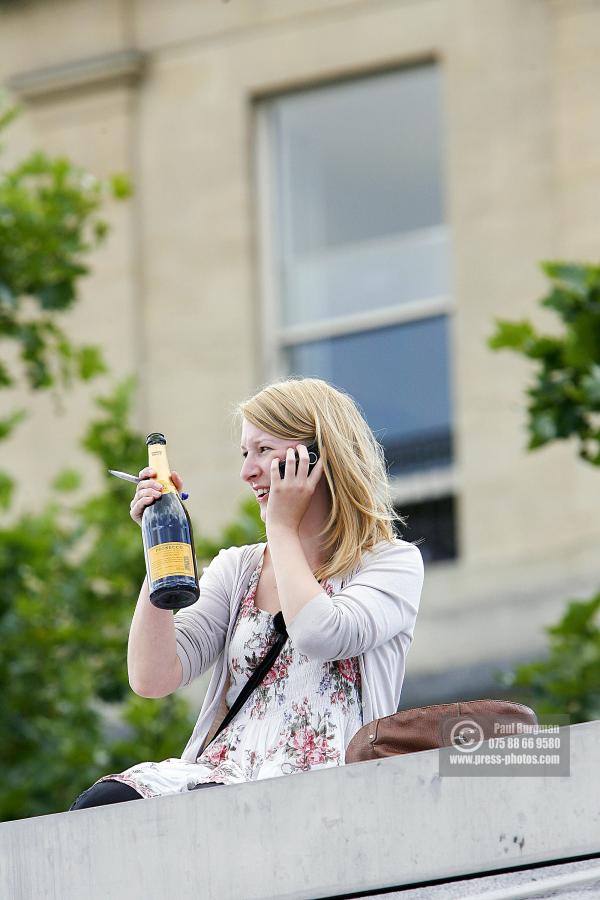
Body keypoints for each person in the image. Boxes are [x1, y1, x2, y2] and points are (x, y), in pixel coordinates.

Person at [69, 377, 424, 810]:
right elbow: (152, 677)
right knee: (107, 802)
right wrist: (161, 550)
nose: (247, 471)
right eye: (244, 453)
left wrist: (281, 526)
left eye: (263, 451)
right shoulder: (239, 569)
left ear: (313, 457)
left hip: (323, 779)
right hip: (224, 772)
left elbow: (320, 634)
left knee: (214, 809)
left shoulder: (391, 562)